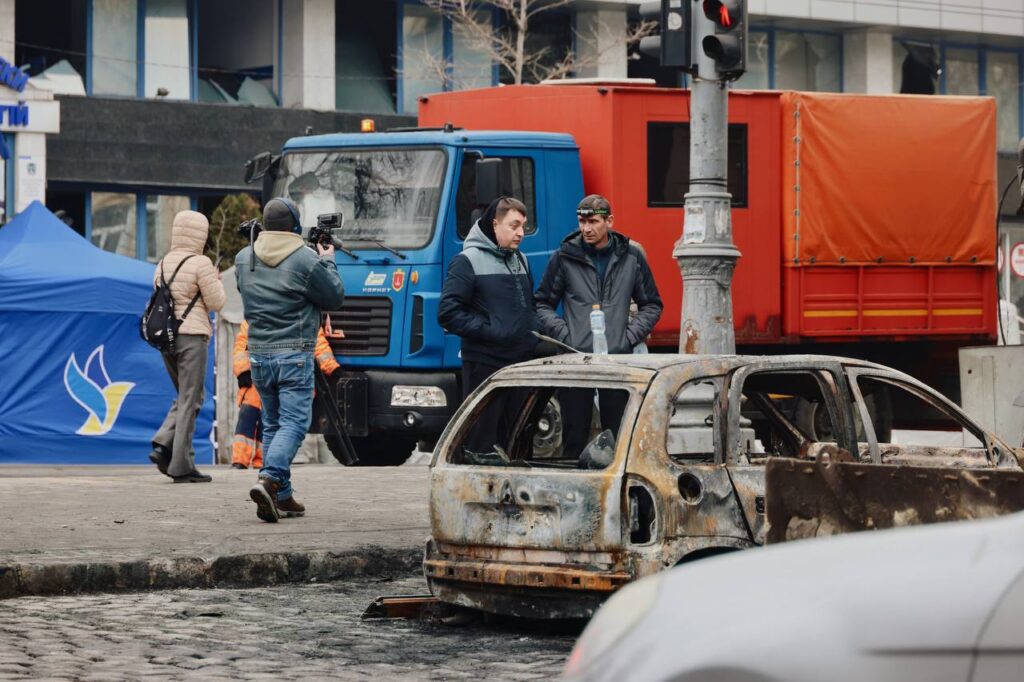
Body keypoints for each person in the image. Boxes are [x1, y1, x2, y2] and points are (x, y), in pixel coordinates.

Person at [235, 197, 345, 522]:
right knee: (295, 423)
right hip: (294, 352)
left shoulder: (244, 258)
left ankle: (282, 496)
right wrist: (327, 261)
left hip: (258, 353)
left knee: (271, 423)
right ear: (294, 225)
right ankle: (269, 479)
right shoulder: (305, 260)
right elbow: (334, 297)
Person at [534, 194, 663, 455]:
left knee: (618, 438)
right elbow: (541, 304)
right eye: (582, 222)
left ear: (609, 221)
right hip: (576, 361)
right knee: (574, 436)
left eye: (593, 221)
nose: (586, 228)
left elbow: (652, 304)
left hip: (617, 361)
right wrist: (565, 336)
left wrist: (627, 338)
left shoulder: (631, 256)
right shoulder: (564, 256)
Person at [438, 196, 538, 454]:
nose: (520, 233)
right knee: (481, 444)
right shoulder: (467, 260)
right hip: (485, 366)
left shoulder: (522, 260)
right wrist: (491, 331)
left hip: (520, 366)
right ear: (495, 224)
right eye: (513, 226)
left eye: (523, 227)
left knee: (518, 444)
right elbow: (448, 313)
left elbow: (530, 307)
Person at [150, 210, 226, 482]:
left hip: (165, 337)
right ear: (201, 234)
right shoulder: (201, 263)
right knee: (192, 398)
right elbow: (217, 303)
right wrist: (216, 281)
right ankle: (182, 465)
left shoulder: (163, 263)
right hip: (192, 337)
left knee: (184, 394)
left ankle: (163, 445)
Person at [230, 320, 341, 469]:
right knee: (249, 416)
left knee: (270, 421)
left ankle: (265, 462)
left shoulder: (261, 310)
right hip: (263, 376)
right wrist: (243, 370)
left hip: (272, 373)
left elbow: (317, 343)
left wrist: (331, 368)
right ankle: (241, 460)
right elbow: (242, 344)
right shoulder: (299, 310)